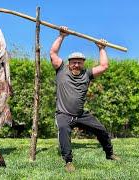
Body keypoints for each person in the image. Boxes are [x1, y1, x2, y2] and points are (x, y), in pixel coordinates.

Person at [49, 26, 120, 172]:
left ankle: (110, 154)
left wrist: (101, 48)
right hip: (63, 114)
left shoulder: (87, 74)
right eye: (74, 62)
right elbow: (53, 52)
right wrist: (61, 35)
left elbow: (104, 66)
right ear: (69, 63)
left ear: (83, 63)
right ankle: (68, 161)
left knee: (101, 130)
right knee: (63, 129)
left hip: (81, 114)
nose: (76, 64)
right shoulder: (61, 70)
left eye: (79, 62)